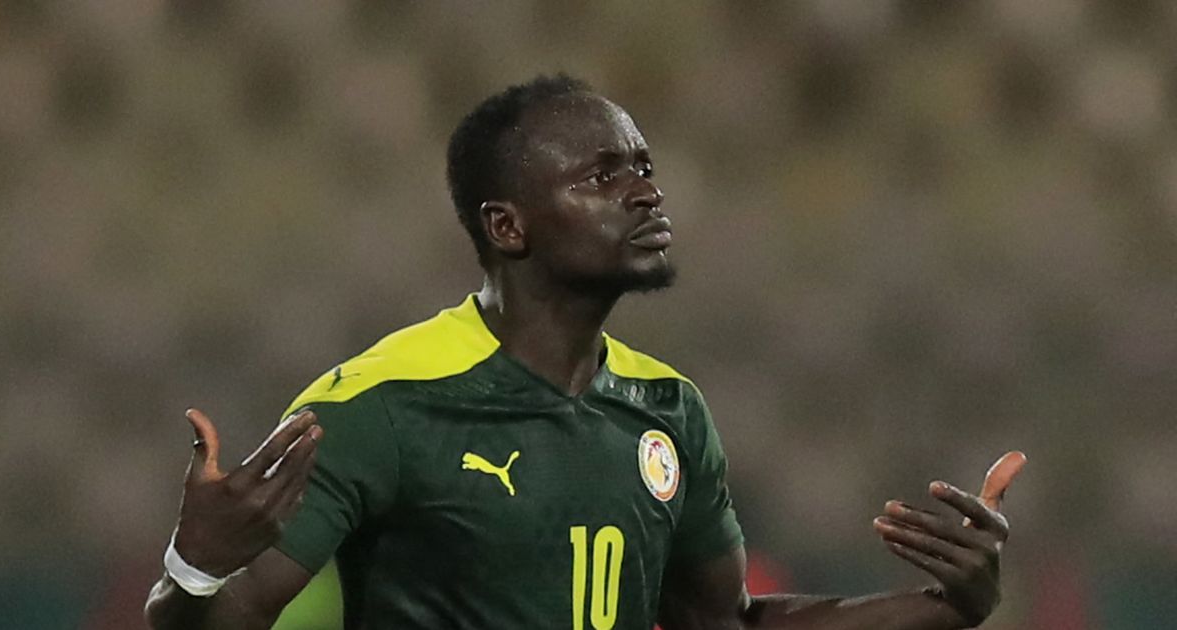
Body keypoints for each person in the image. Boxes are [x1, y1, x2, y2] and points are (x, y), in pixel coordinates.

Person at [144, 75, 1027, 629]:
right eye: (603, 175)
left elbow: (721, 624)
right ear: (508, 226)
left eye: (643, 167)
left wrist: (949, 607)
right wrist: (194, 564)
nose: (644, 192)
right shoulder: (381, 404)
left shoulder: (669, 410)